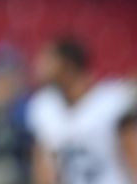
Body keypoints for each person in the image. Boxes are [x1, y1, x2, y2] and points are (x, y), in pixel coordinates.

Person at [26, 36, 137, 184]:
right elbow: (43, 169)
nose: (40, 66)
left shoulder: (111, 102)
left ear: (68, 65)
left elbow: (133, 157)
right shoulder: (43, 107)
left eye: (49, 59)